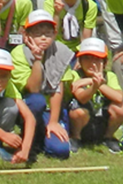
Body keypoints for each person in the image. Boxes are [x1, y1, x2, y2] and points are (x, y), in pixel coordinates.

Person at [9, 10, 75, 160]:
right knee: (37, 100)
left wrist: (53, 122)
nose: (43, 38)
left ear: (54, 33)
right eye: (38, 33)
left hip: (51, 109)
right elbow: (32, 88)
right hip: (27, 106)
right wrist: (37, 61)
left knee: (61, 151)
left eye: (48, 33)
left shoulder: (61, 51)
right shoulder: (18, 53)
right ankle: (28, 138)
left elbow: (58, 88)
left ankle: (42, 136)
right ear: (27, 35)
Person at [64, 38, 123, 154]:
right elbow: (81, 97)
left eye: (97, 59)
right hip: (84, 122)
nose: (92, 63)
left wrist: (98, 84)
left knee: (121, 108)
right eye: (87, 58)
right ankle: (76, 138)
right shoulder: (75, 75)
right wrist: (93, 85)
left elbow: (119, 97)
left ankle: (108, 137)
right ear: (80, 61)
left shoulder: (110, 76)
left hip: (101, 120)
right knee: (78, 112)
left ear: (105, 63)